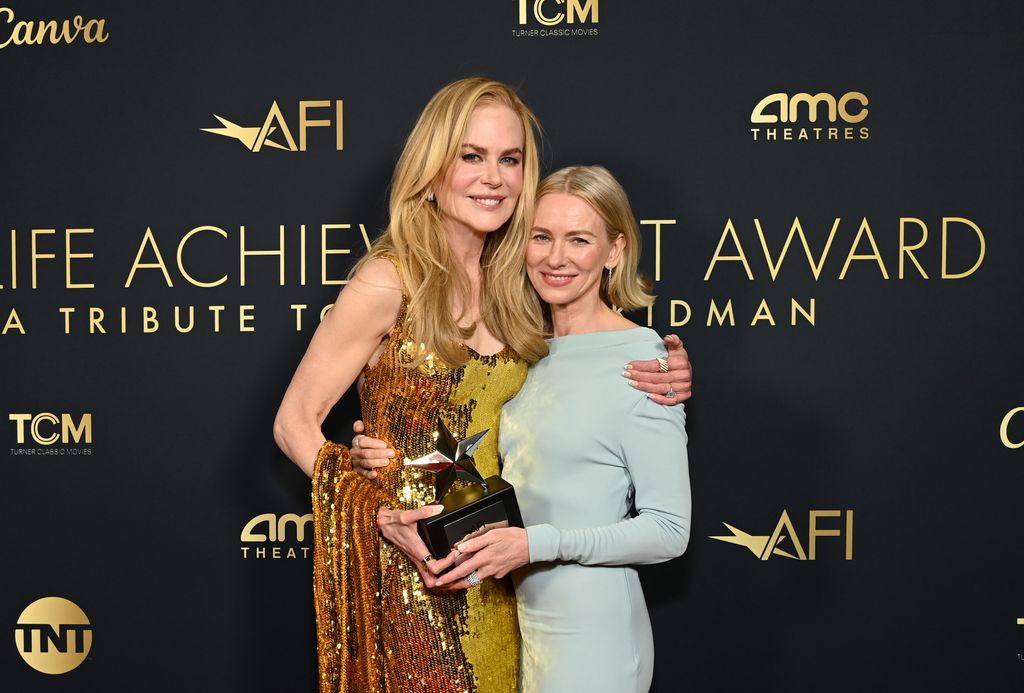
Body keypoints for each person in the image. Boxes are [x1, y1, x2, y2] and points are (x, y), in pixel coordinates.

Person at [273, 78, 691, 693]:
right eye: (472, 156)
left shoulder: (518, 282)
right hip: (414, 577)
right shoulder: (391, 279)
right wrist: (378, 510)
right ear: (433, 167)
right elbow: (293, 423)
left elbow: (585, 368)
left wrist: (668, 369)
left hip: (503, 586)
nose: (493, 177)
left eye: (510, 159)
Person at [429, 166, 691, 693]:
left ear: (614, 251)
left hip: (591, 637)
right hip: (513, 624)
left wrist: (537, 544)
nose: (556, 258)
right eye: (541, 236)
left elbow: (669, 530)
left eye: (580, 239)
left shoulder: (642, 359)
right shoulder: (523, 351)